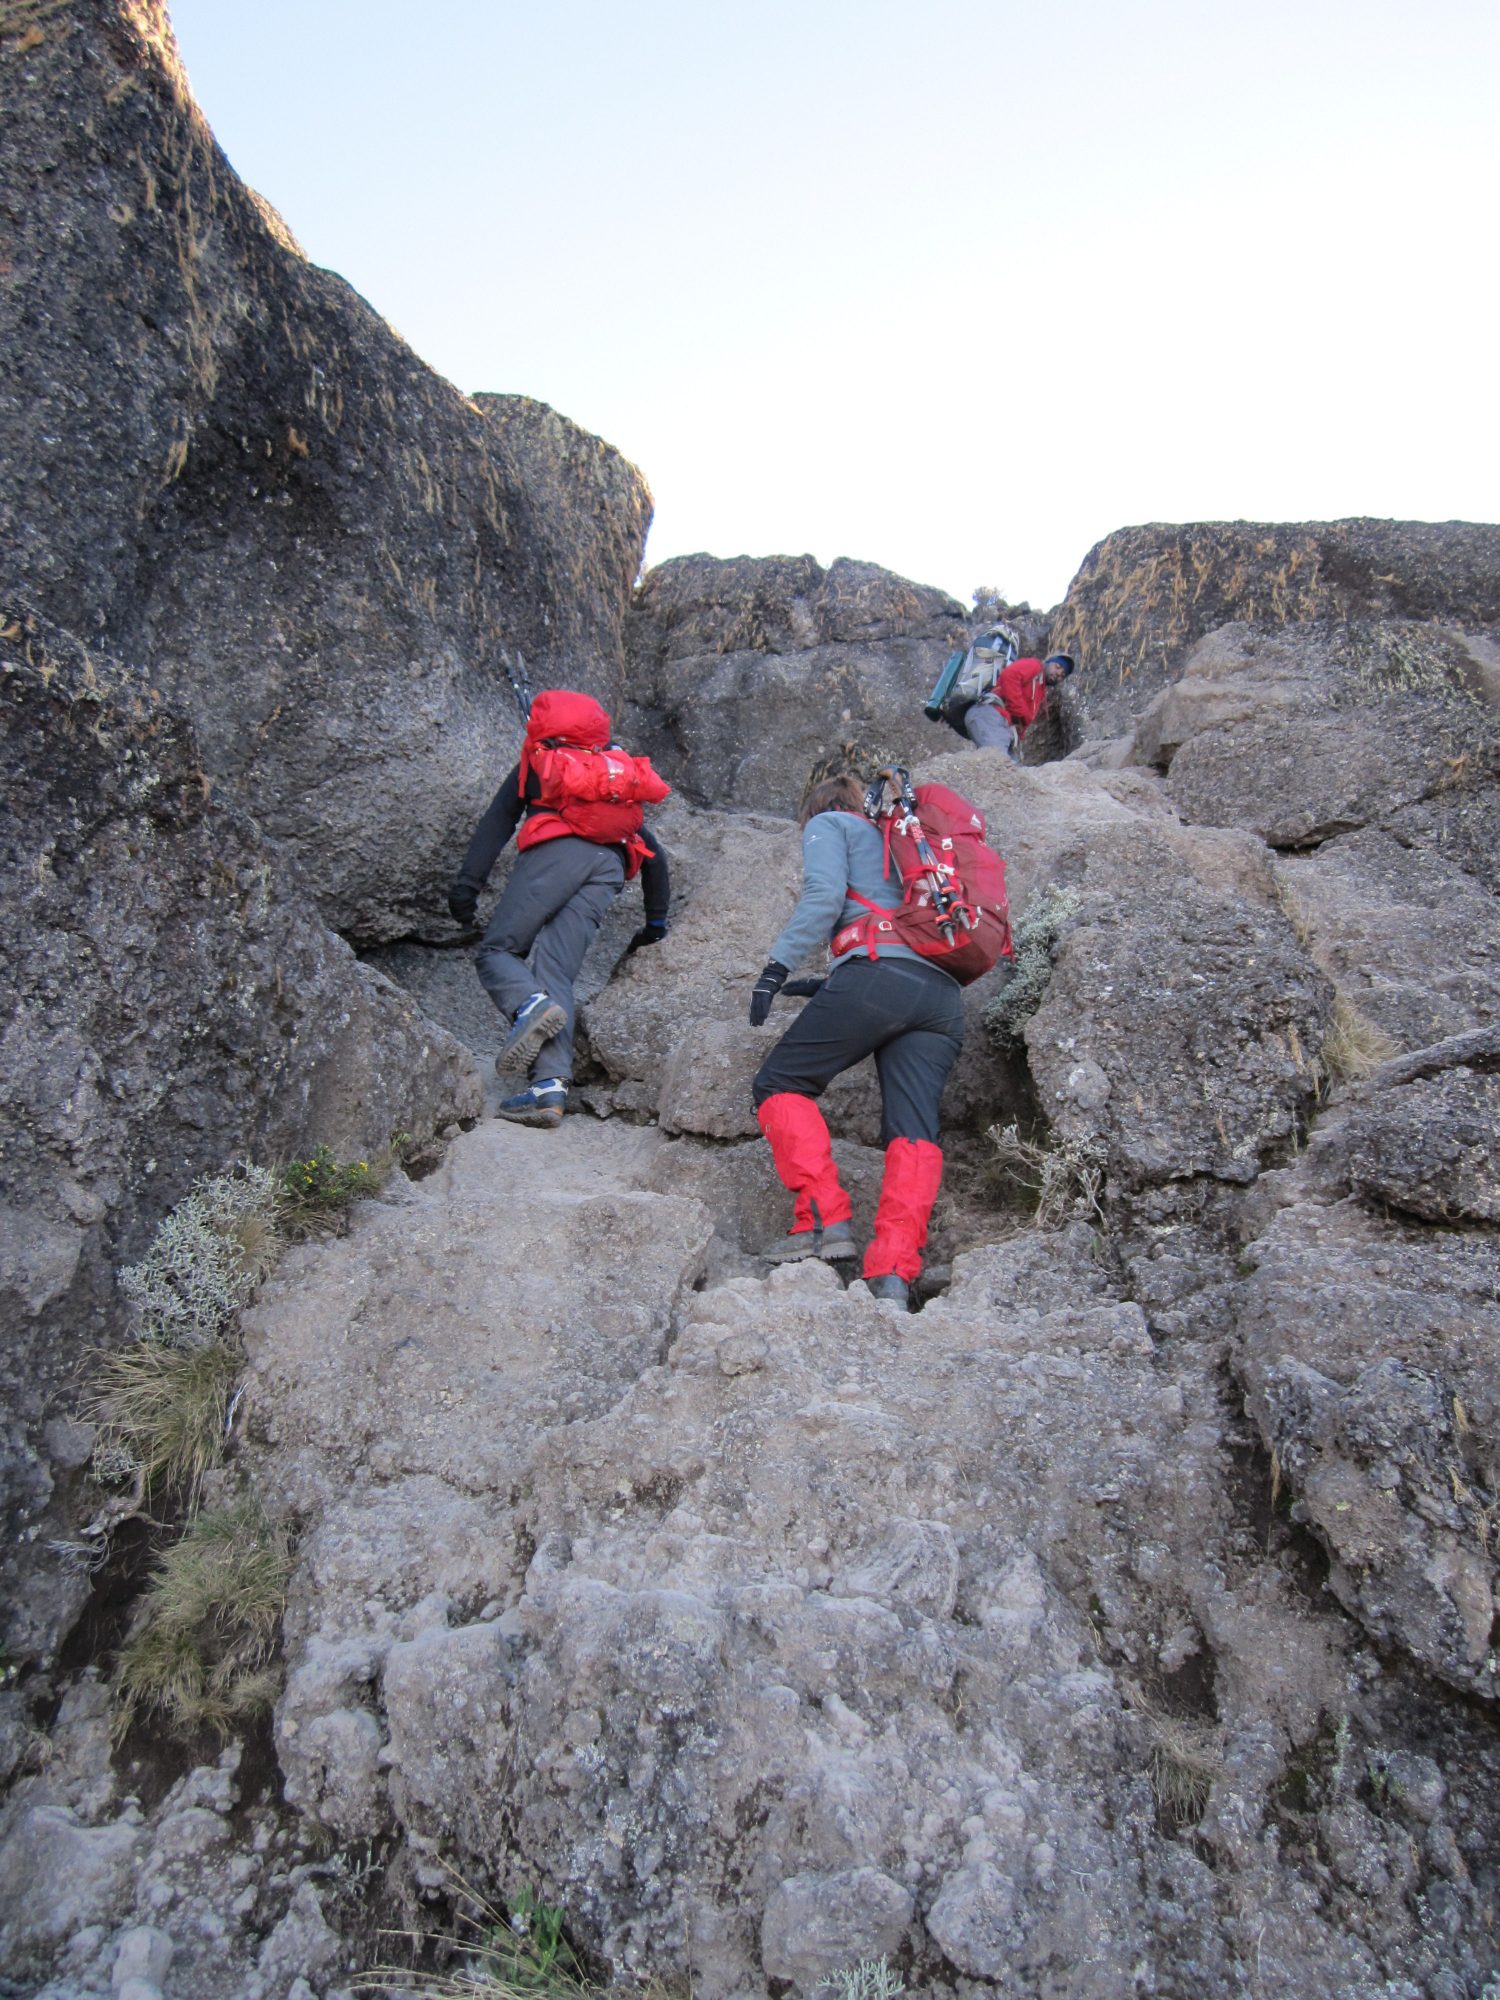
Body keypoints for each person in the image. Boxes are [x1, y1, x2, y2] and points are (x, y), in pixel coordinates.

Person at [747, 774, 965, 1310]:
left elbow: (824, 897)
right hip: (942, 995)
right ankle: (893, 1273)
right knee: (912, 1129)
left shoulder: (831, 824)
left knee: (780, 1082)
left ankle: (823, 1224)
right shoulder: (906, 844)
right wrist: (832, 982)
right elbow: (899, 928)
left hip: (876, 976)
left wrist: (775, 969)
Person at [447, 689, 670, 1128]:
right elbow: (654, 853)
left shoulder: (541, 763)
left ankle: (528, 1006)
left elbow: (497, 821)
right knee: (556, 972)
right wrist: (656, 920)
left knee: (498, 952)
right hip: (608, 865)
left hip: (554, 854)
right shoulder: (610, 774)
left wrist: (467, 887)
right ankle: (549, 1090)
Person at [964, 651, 1075, 755]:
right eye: (1058, 666)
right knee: (999, 762)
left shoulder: (1039, 689)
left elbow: (1022, 721)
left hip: (1001, 726)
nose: (1059, 673)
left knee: (1011, 768)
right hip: (990, 715)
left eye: (1062, 675)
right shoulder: (1035, 666)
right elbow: (1009, 675)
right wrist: (1022, 712)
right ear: (1048, 662)